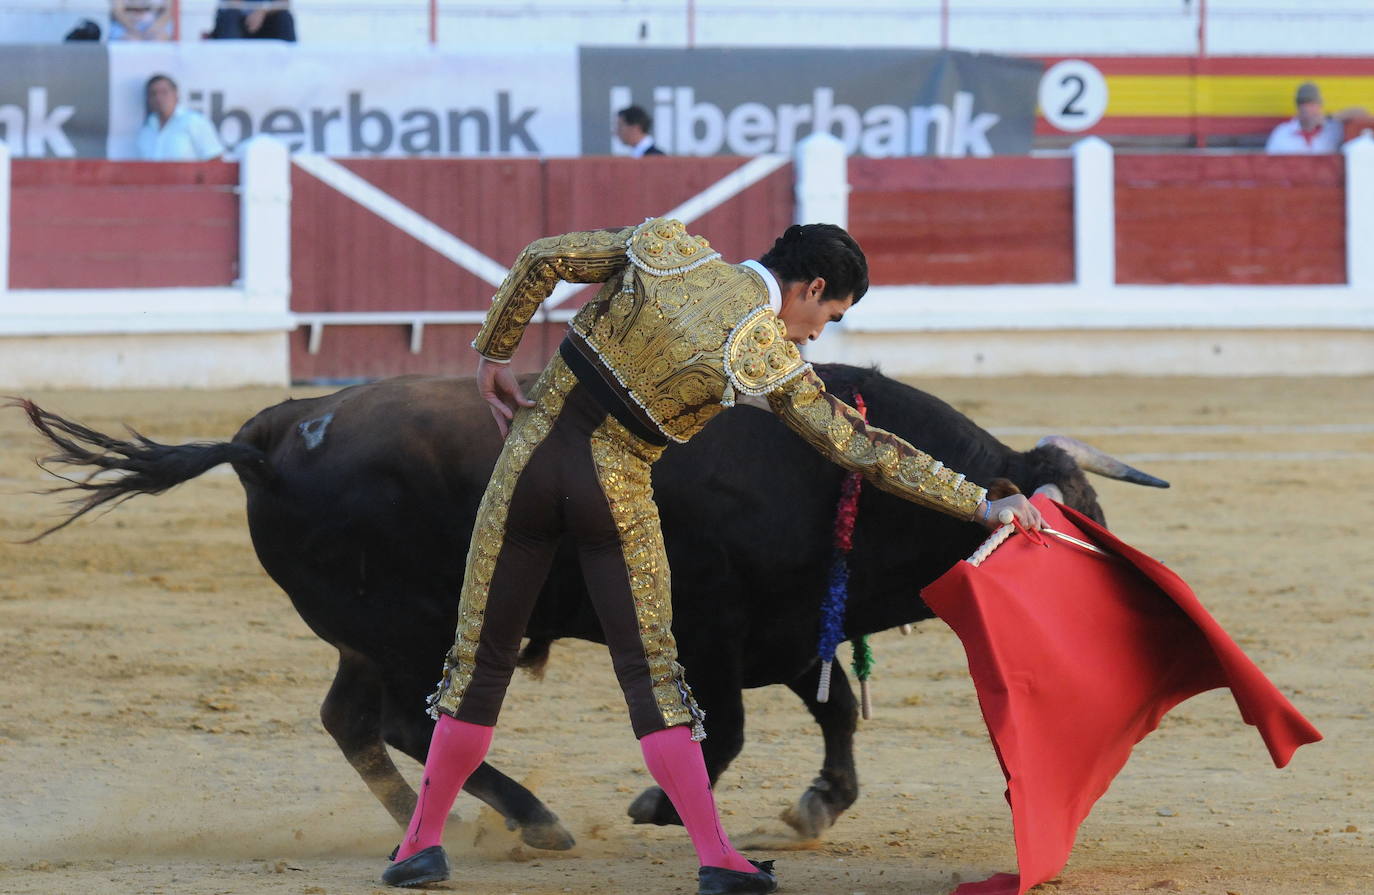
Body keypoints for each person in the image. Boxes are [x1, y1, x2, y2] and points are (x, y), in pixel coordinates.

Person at [380, 218, 1043, 892]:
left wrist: (495, 352)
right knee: (653, 675)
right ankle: (716, 856)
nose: (816, 333)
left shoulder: (666, 248)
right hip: (613, 488)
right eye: (827, 315)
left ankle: (419, 846)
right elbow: (860, 445)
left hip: (525, 467)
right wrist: (980, 503)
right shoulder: (766, 353)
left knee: (480, 663)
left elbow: (542, 256)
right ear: (811, 286)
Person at [136, 74, 225, 161]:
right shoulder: (146, 129)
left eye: (164, 92)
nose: (159, 98)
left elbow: (215, 159)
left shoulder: (193, 121)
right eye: (153, 94)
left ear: (176, 94)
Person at [1265, 81, 1366, 154]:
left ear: (1320, 106)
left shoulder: (1333, 129)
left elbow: (1362, 114)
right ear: (1298, 108)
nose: (1309, 110)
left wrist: (1330, 117)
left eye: (1313, 105)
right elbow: (1269, 163)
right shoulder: (1282, 133)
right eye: (1305, 104)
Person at [207, 0, 297, 41]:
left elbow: (284, 3)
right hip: (237, 21)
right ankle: (227, 61)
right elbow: (230, 3)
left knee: (284, 17)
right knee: (230, 15)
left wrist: (262, 11)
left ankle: (292, 64)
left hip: (266, 20)